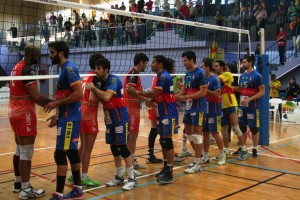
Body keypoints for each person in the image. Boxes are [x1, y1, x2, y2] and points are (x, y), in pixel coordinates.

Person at [85, 58, 137, 191]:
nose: (96, 71)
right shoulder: (100, 82)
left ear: (106, 69)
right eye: (95, 69)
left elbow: (107, 97)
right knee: (114, 147)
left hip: (120, 117)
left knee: (122, 147)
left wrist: (93, 88)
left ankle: (131, 178)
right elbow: (93, 99)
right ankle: (119, 176)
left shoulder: (113, 80)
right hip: (109, 118)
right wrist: (93, 88)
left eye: (98, 69)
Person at [9, 44, 52, 199]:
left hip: (13, 111)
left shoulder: (16, 66)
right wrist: (57, 104)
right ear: (30, 54)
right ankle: (26, 189)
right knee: (27, 151)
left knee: (19, 149)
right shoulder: (28, 70)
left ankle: (18, 183)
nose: (39, 57)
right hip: (24, 113)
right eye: (37, 54)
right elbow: (37, 97)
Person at [127, 55, 178, 184]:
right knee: (162, 140)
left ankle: (170, 173)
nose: (151, 64)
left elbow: (153, 93)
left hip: (169, 112)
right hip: (162, 112)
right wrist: (149, 100)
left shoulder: (163, 76)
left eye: (154, 62)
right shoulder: (161, 76)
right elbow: (156, 96)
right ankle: (166, 168)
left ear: (160, 64)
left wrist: (138, 92)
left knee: (167, 141)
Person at [45, 41, 84, 200]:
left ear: (61, 53)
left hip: (70, 119)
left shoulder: (69, 68)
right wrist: (58, 115)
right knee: (72, 153)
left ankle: (59, 194)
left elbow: (78, 93)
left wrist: (56, 104)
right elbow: (65, 96)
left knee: (60, 154)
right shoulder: (63, 69)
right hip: (66, 118)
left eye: (52, 52)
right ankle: (78, 190)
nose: (50, 55)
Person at [67, 53, 105, 187]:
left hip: (80, 112)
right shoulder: (96, 79)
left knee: (82, 146)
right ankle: (84, 177)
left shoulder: (85, 77)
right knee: (88, 148)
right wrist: (105, 95)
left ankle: (74, 173)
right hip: (89, 114)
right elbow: (93, 99)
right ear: (97, 66)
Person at [176, 50, 208, 174]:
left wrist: (185, 98)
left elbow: (203, 92)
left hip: (199, 108)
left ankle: (197, 163)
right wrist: (174, 97)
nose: (183, 63)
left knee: (197, 135)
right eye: (183, 60)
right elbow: (184, 89)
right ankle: (199, 157)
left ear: (191, 60)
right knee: (188, 134)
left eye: (185, 60)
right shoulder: (187, 73)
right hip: (189, 108)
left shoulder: (201, 73)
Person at [213, 60, 248, 161]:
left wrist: (209, 77)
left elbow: (218, 79)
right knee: (224, 132)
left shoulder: (227, 74)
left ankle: (244, 150)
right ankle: (226, 151)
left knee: (236, 128)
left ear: (222, 67)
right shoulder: (214, 79)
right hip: (221, 107)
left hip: (231, 105)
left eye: (216, 66)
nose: (215, 68)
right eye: (214, 66)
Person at [123, 53, 149, 175]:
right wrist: (145, 99)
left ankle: (132, 161)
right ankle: (129, 166)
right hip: (130, 109)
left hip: (135, 109)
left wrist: (145, 95)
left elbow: (136, 91)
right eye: (146, 63)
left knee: (134, 137)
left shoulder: (135, 74)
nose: (146, 66)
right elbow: (130, 90)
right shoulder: (133, 73)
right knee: (131, 138)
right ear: (141, 63)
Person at [237, 56, 265, 158]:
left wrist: (249, 99)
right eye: (242, 62)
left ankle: (254, 148)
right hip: (242, 106)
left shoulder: (257, 76)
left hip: (253, 107)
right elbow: (241, 89)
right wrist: (230, 89)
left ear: (250, 63)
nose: (242, 64)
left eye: (244, 62)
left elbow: (262, 92)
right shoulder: (242, 76)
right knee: (242, 127)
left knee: (253, 128)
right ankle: (243, 147)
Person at [200, 58, 226, 165]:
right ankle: (206, 155)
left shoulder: (215, 79)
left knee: (215, 133)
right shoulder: (201, 78)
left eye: (202, 66)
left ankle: (222, 155)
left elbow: (217, 94)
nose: (201, 68)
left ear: (207, 67)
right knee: (205, 134)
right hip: (204, 109)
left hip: (214, 110)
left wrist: (205, 90)